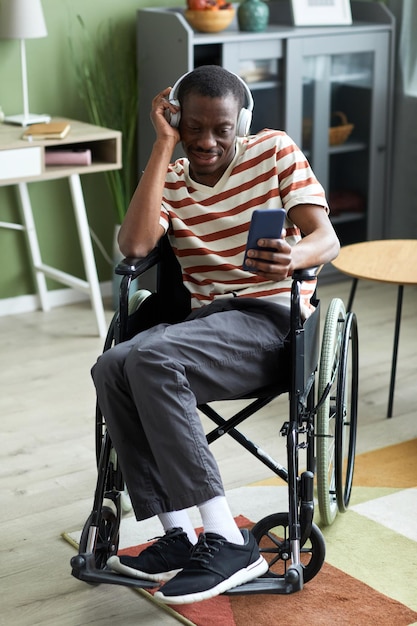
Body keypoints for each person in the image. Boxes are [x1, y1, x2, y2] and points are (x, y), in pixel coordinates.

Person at [92, 65, 339, 605]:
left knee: (153, 358)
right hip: (207, 327)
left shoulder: (273, 150)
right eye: (193, 127)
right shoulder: (173, 179)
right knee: (113, 365)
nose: (206, 141)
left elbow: (326, 238)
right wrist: (161, 145)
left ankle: (229, 539)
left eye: (220, 129)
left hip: (273, 322)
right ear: (178, 121)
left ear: (240, 123)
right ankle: (180, 535)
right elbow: (135, 247)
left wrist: (292, 257)